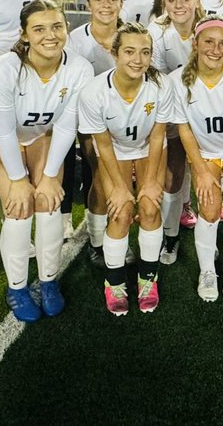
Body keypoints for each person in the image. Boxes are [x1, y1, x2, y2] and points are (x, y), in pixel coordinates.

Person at [0, 0, 93, 322]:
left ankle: (48, 282)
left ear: (66, 29)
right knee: (18, 208)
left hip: (45, 135)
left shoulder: (79, 68)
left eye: (57, 26)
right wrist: (17, 181)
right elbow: (3, 133)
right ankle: (16, 288)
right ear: (24, 34)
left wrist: (48, 176)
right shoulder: (5, 68)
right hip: (4, 139)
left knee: (48, 202)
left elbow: (65, 125)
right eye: (39, 28)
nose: (50, 35)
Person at [78, 23, 170, 315]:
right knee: (120, 210)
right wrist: (118, 187)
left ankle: (148, 279)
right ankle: (114, 282)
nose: (138, 59)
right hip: (114, 148)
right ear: (114, 53)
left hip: (147, 147)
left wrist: (153, 182)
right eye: (129, 51)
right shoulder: (93, 92)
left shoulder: (161, 86)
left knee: (151, 206)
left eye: (145, 52)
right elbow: (103, 144)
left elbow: (157, 136)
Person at [165, 18, 223, 301]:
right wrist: (201, 171)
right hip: (204, 152)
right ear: (195, 44)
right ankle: (207, 272)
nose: (216, 49)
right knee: (209, 207)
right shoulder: (177, 80)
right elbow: (185, 130)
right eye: (208, 42)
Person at [66, 0, 125, 267]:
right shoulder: (75, 40)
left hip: (127, 122)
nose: (106, 5)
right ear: (88, 4)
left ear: (121, 4)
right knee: (100, 178)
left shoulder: (130, 36)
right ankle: (97, 242)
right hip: (92, 121)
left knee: (122, 181)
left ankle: (116, 234)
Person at [148, 0, 207, 251]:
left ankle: (195, 209)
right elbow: (157, 78)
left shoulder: (210, 26)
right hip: (171, 105)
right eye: (171, 0)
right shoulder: (157, 31)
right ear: (164, 3)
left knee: (206, 166)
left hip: (207, 105)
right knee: (174, 168)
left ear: (197, 0)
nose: (179, 5)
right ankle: (171, 227)